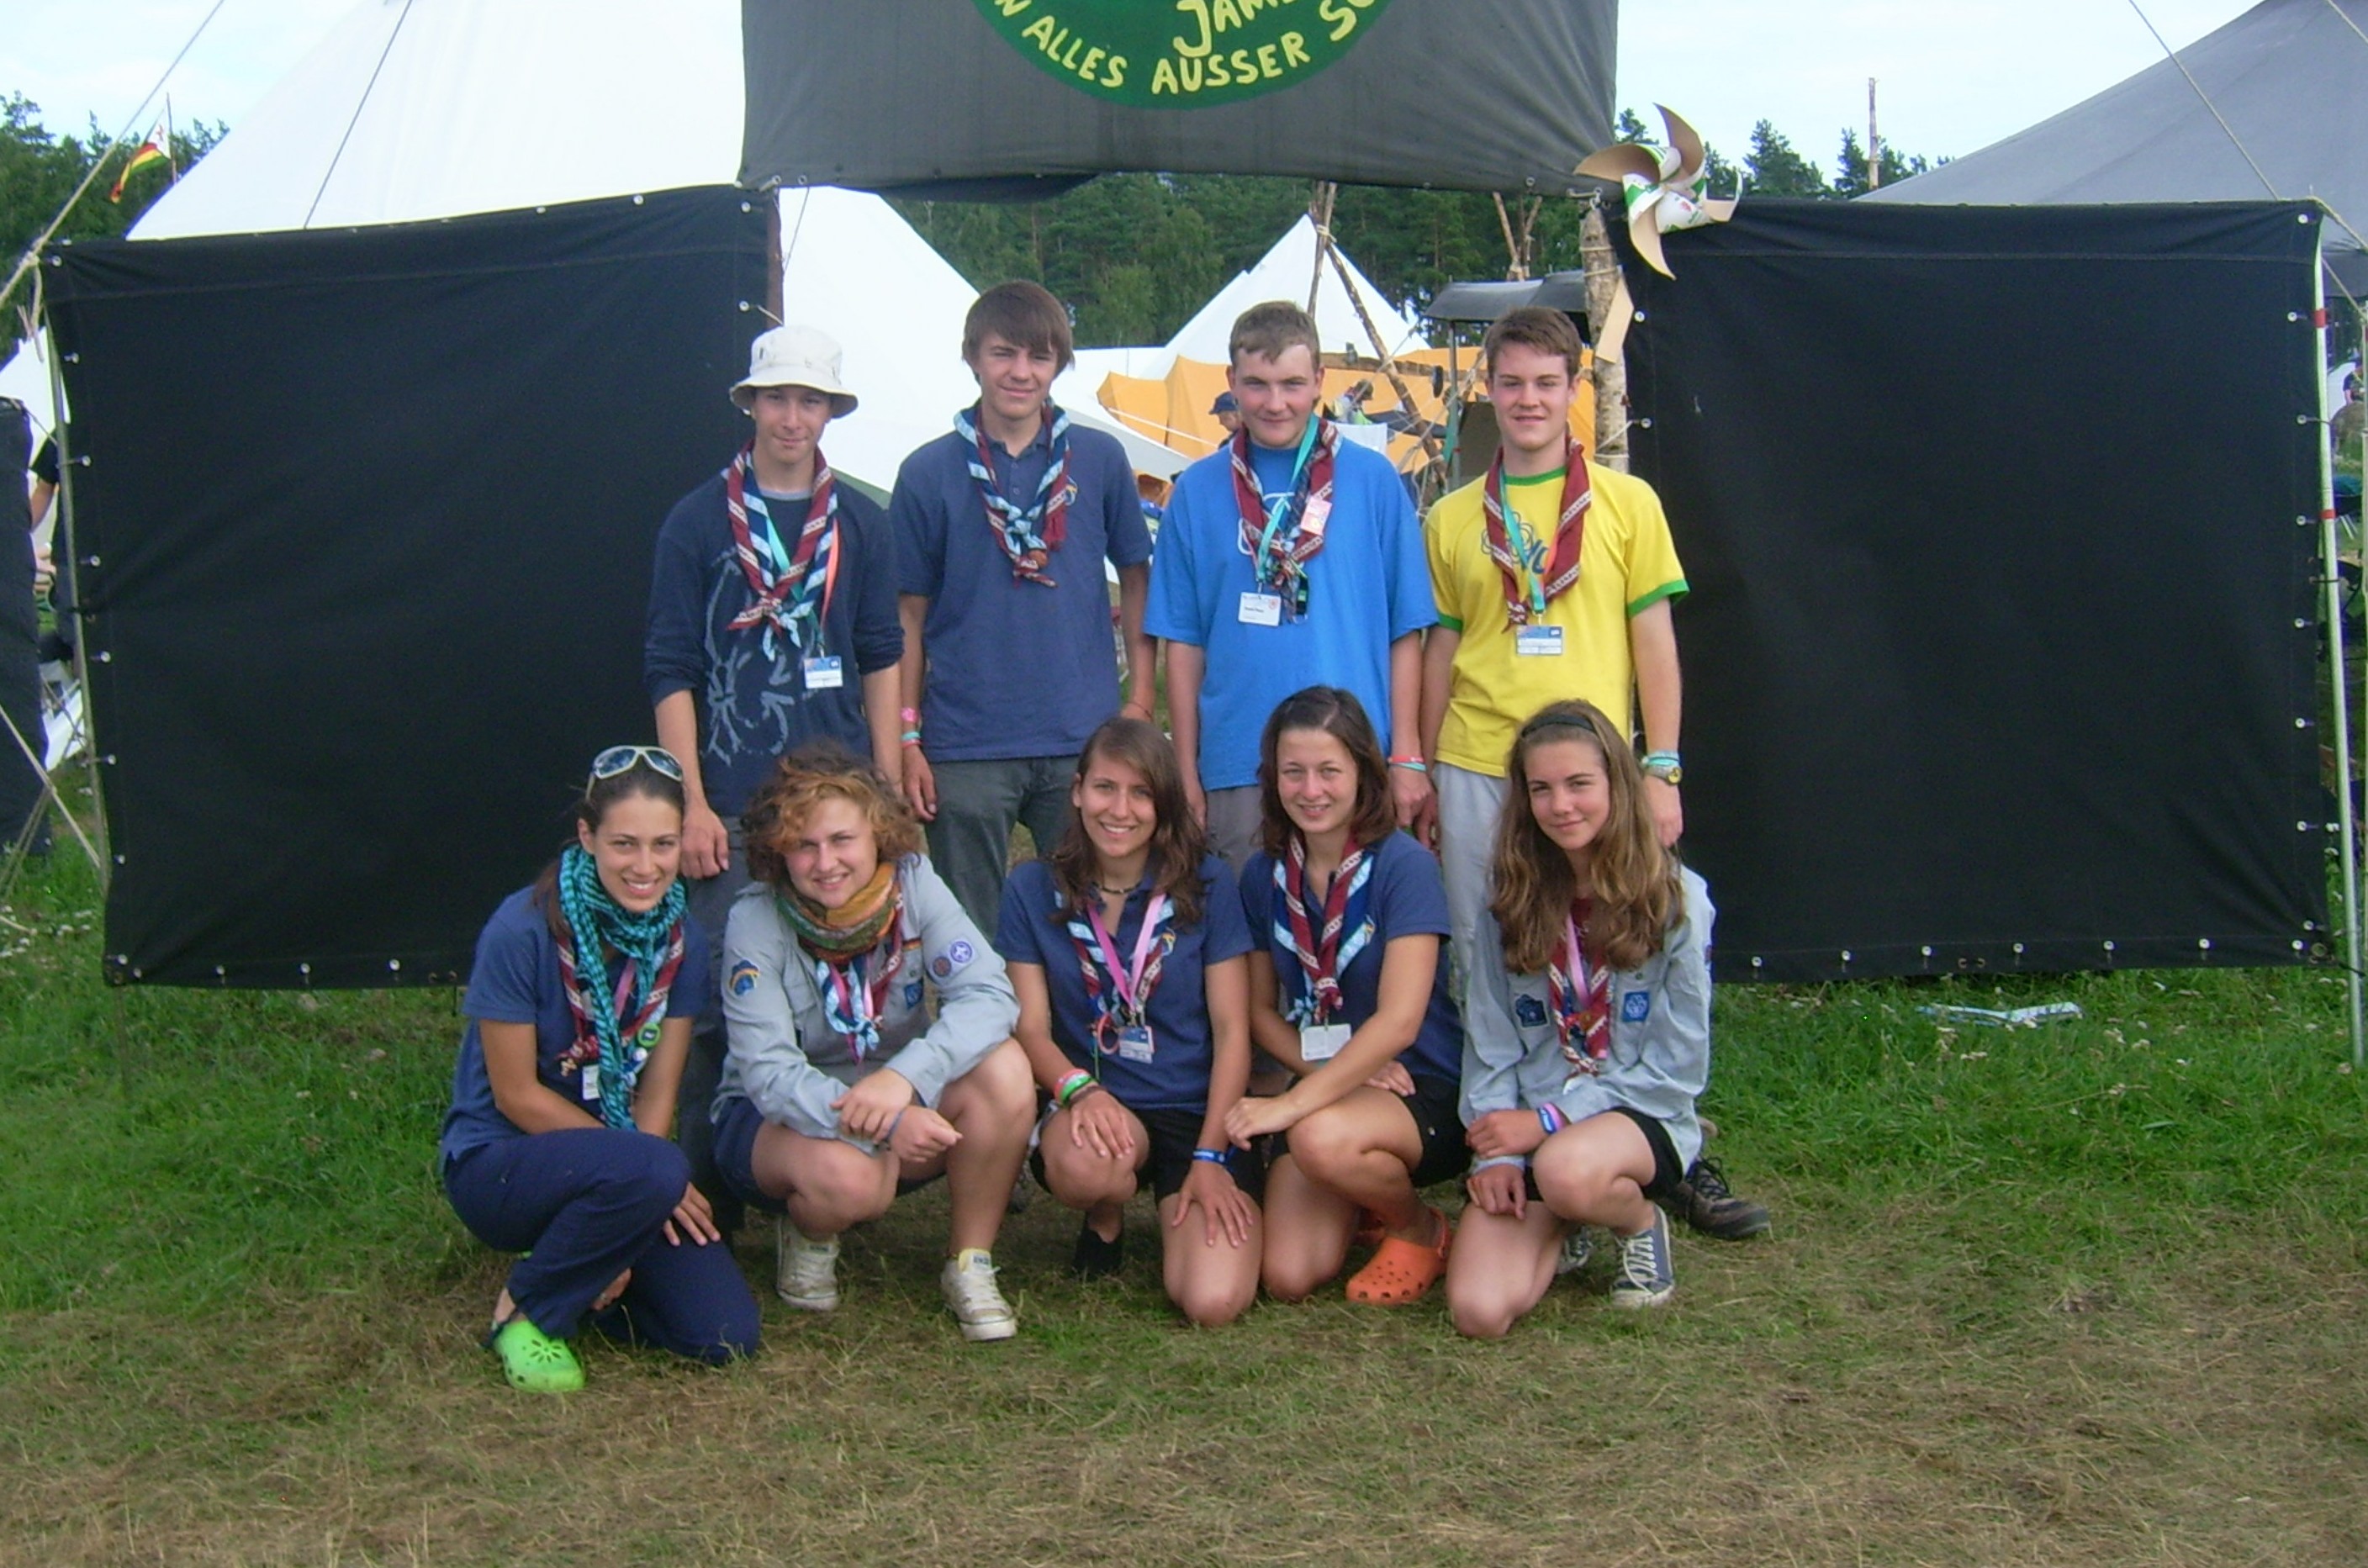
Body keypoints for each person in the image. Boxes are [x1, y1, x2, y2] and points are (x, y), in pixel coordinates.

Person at [1418, 305, 1766, 1242]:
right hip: (1477, 767)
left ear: (1574, 389)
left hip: (1589, 773)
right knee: (1484, 955)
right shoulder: (1452, 516)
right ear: (1485, 388)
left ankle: (1657, 1144)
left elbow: (1652, 636)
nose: (1527, 400)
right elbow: (1441, 646)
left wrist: (1659, 764)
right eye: (1510, 382)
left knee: (1623, 943)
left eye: (1545, 383)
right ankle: (1498, 1145)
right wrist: (1418, 762)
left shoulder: (1625, 502)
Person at [645, 323, 904, 1230]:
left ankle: (826, 1167)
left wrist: (885, 778)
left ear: (830, 412)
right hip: (731, 801)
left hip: (835, 803)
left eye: (810, 400)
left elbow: (879, 654)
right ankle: (697, 1192)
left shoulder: (863, 524)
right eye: (777, 397)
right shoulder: (695, 521)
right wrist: (690, 802)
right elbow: (670, 665)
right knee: (715, 998)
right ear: (750, 404)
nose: (792, 417)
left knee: (837, 990)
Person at [439, 746, 759, 1392]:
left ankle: (584, 1268)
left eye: (664, 844)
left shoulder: (682, 942)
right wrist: (645, 1175)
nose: (646, 867)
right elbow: (517, 1095)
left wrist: (637, 1198)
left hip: (623, 1167)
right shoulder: (520, 930)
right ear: (587, 836)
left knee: (725, 1335)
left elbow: (661, 1088)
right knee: (658, 1165)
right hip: (500, 1161)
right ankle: (527, 1312)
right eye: (624, 843)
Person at [710, 743, 1035, 1342]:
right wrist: (883, 1125)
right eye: (804, 845)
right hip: (779, 1122)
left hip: (894, 1094)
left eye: (842, 840)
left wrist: (906, 1079)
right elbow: (768, 1074)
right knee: (851, 1177)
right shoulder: (755, 916)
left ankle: (969, 1262)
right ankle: (808, 1228)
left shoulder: (914, 882)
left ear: (878, 834)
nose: (825, 862)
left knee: (1007, 1069)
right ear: (778, 849)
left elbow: (991, 994)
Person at [891, 281, 1156, 931]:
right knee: (967, 929)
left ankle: (1077, 1034)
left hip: (1081, 733)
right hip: (965, 742)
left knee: (1092, 918)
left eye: (1039, 357)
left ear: (1060, 364)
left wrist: (1141, 701)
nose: (1020, 372)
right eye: (1003, 353)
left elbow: (1138, 575)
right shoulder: (927, 471)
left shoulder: (1098, 459)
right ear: (972, 357)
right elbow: (907, 618)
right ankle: (982, 1036)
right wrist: (907, 735)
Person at [1445, 701, 1715, 1338]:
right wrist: (1496, 1161)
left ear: (1616, 786)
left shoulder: (1676, 901)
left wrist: (1544, 1122)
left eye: (1579, 784)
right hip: (1529, 1129)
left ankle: (1636, 1222)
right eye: (1541, 789)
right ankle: (1566, 1219)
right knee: (1479, 1311)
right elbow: (1489, 1044)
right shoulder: (1506, 903)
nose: (1561, 805)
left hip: (1635, 1115)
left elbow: (1676, 1072)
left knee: (1567, 1168)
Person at [1148, 301, 1436, 869]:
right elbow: (1182, 647)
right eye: (1256, 384)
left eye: (1292, 384)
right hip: (1238, 763)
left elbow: (1407, 630)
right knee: (1248, 940)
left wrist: (1406, 753)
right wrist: (1186, 773)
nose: (1275, 403)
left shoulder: (1375, 480)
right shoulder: (1197, 490)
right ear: (1231, 382)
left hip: (1355, 760)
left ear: (1320, 382)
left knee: (1355, 936)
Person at [996, 716, 1263, 1326]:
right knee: (1086, 1166)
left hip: (1199, 1111)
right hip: (1099, 1100)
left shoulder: (1209, 882)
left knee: (1211, 1301)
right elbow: (1029, 1026)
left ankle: (1188, 1190)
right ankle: (1105, 1213)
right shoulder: (1032, 886)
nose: (1120, 810)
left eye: (1141, 793)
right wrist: (1077, 1090)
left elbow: (1233, 1032)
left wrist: (1211, 1156)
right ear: (1077, 790)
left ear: (1163, 804)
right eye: (1105, 788)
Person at [1225, 688, 1466, 1306]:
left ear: (1363, 772)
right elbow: (1256, 1011)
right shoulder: (1263, 873)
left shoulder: (1403, 865)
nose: (1311, 790)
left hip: (1416, 1086)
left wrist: (1292, 1103)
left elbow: (1400, 1022)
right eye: (1293, 771)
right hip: (1334, 1080)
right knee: (1287, 1273)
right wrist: (1324, 1073)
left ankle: (1418, 1225)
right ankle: (1362, 1195)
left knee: (1317, 1137)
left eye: (1330, 770)